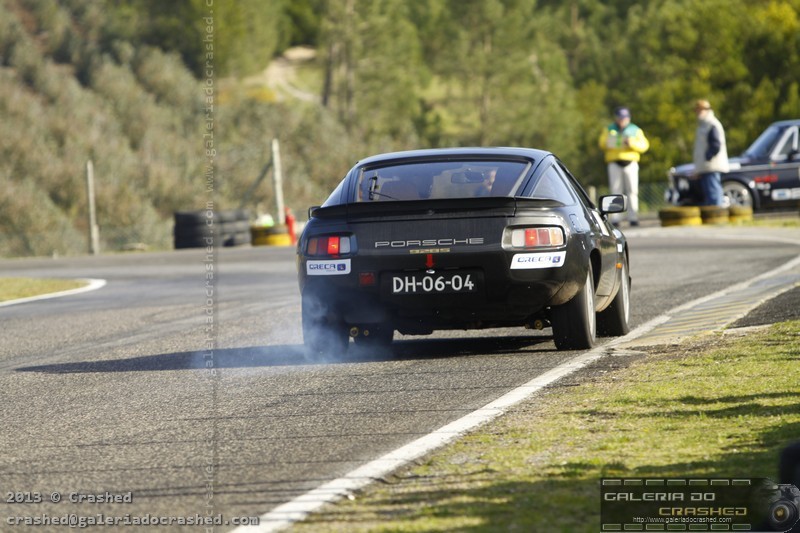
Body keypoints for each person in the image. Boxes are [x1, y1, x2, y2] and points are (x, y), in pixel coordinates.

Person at [598, 106, 650, 226]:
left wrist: (631, 143)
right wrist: (608, 142)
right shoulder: (609, 129)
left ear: (628, 118)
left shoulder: (635, 130)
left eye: (624, 118)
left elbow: (644, 145)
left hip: (630, 163)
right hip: (614, 163)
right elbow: (601, 143)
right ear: (616, 118)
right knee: (615, 190)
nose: (622, 120)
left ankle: (633, 217)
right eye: (620, 118)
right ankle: (616, 219)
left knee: (632, 190)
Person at [692, 99, 729, 206]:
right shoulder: (703, 125)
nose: (697, 113)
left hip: (711, 166)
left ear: (706, 110)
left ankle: (717, 213)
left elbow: (716, 145)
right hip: (706, 166)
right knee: (709, 194)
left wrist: (707, 157)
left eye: (699, 110)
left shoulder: (711, 124)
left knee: (713, 193)